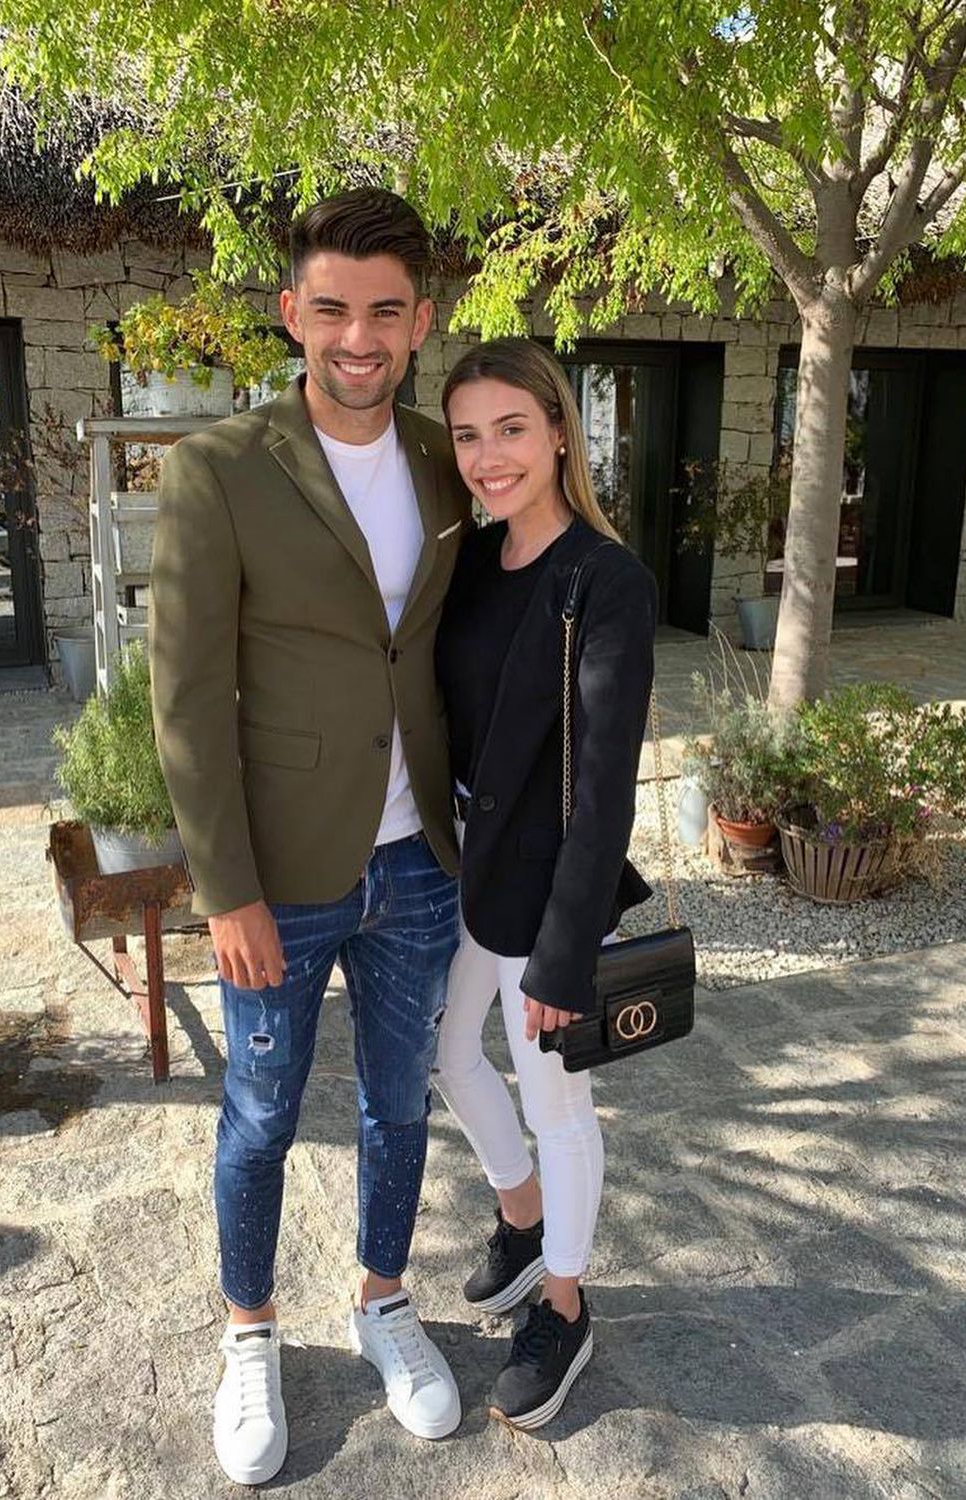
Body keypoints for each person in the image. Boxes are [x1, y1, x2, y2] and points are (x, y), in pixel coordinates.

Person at [150, 188, 472, 1487]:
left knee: (399, 1106)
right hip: (279, 875)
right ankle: (249, 1332)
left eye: (385, 312)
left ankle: (384, 1301)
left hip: (419, 864)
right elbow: (186, 698)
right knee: (261, 1116)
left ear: (420, 321)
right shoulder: (220, 469)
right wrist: (223, 888)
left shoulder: (449, 463)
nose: (358, 337)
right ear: (292, 311)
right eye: (333, 308)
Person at [433, 338, 657, 1430]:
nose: (489, 457)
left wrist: (565, 954)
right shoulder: (473, 561)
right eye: (468, 436)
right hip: (468, 868)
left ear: (560, 432)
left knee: (555, 1101)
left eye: (512, 429)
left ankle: (564, 1303)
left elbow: (605, 786)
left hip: (547, 885)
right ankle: (521, 1216)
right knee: (445, 1056)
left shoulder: (606, 582)